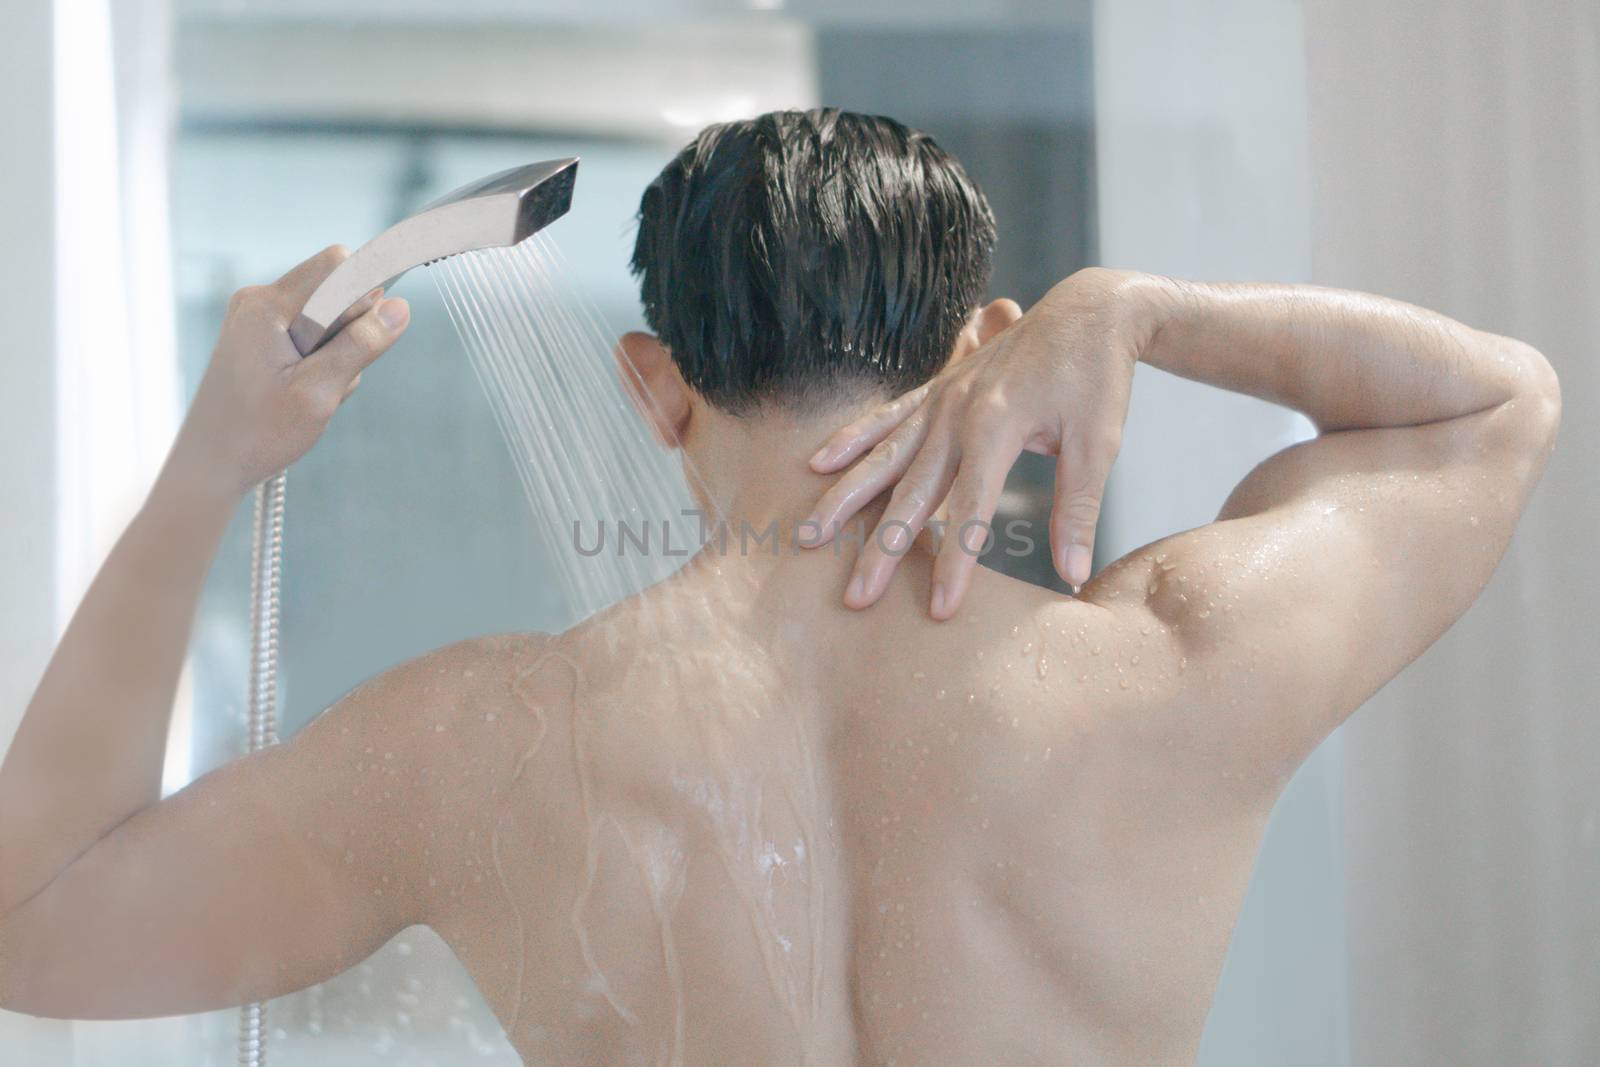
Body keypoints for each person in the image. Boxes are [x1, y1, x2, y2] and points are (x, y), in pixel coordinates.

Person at [0, 109, 1560, 1065]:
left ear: (652, 389)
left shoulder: (482, 744)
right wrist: (1142, 313)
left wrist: (211, 462)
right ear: (986, 349)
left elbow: (37, 924)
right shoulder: (1179, 664)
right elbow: (1495, 408)